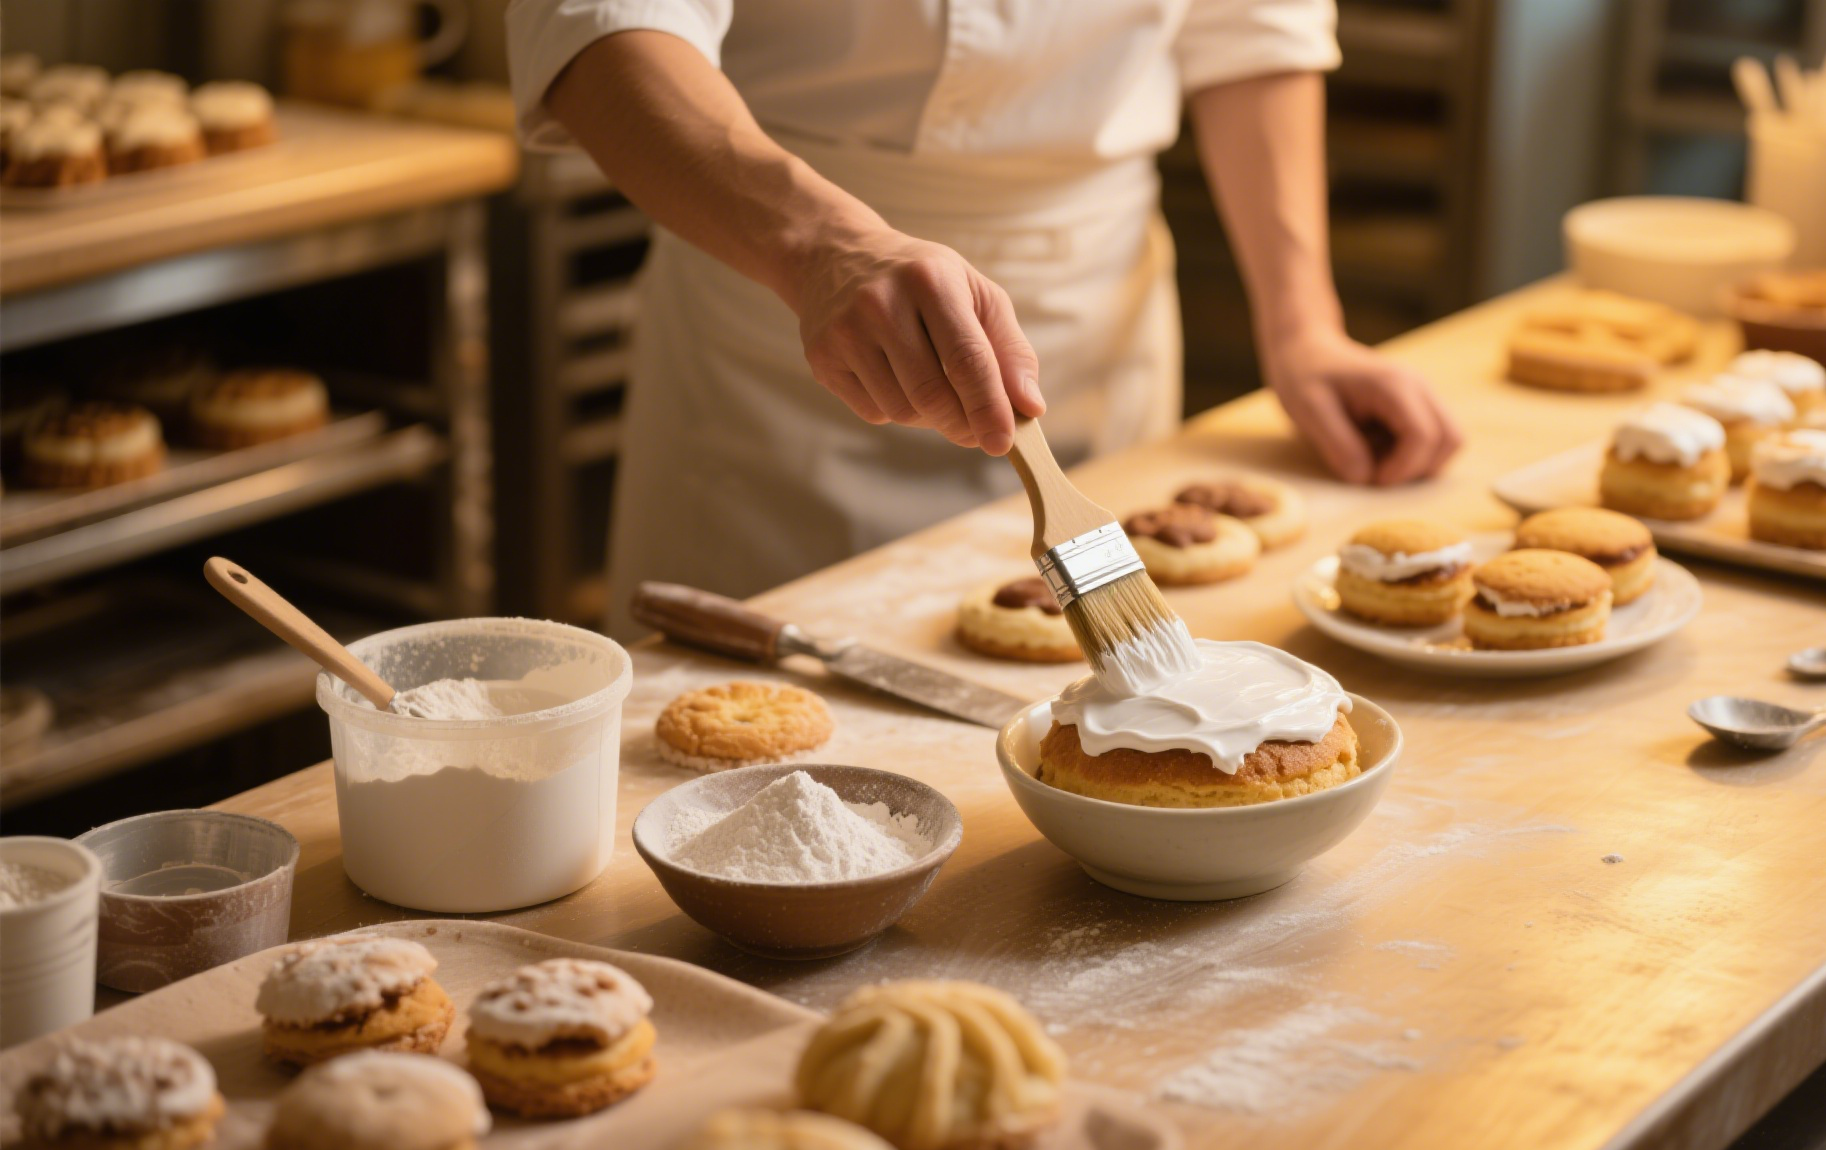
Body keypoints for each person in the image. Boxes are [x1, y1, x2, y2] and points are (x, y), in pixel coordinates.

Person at [506, 1, 1463, 635]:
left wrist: (1304, 322)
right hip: (770, 310)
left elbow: (1253, 26)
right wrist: (819, 245)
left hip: (1092, 315)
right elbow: (600, 26)